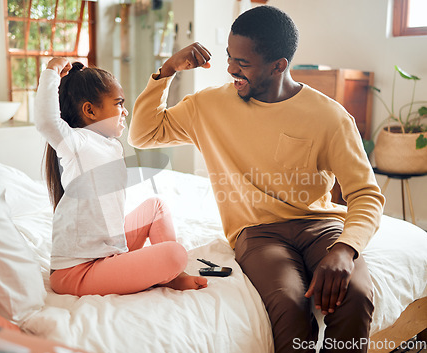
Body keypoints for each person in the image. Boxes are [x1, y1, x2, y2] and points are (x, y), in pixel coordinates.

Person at [128, 5, 385, 353]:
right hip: (257, 232)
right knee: (290, 303)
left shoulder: (329, 117)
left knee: (355, 294)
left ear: (279, 65)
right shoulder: (209, 106)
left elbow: (366, 194)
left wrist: (345, 248)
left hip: (320, 226)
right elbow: (143, 135)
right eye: (229, 58)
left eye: (243, 63)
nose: (231, 69)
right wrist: (167, 71)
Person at [34, 57, 207, 296]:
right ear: (90, 111)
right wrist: (51, 71)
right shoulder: (77, 143)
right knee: (175, 254)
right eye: (118, 104)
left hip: (108, 250)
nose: (125, 111)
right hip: (77, 271)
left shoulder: (111, 145)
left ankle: (172, 275)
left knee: (156, 206)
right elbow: (46, 121)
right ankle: (171, 271)